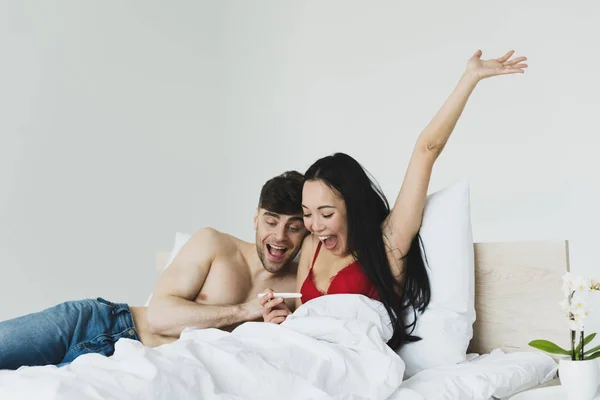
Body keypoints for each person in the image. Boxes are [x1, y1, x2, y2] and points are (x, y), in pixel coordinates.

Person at [261, 49, 528, 350]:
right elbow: (305, 321)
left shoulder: (388, 242)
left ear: (352, 207)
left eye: (326, 213)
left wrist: (470, 78)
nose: (315, 226)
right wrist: (285, 321)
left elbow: (426, 149)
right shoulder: (311, 247)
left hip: (355, 362)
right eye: (308, 214)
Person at [0, 171, 308, 370]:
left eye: (293, 227)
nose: (280, 237)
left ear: (307, 231)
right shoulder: (215, 244)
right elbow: (160, 315)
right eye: (271, 221)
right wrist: (244, 311)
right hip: (98, 323)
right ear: (256, 219)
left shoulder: (298, 288)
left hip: (132, 365)